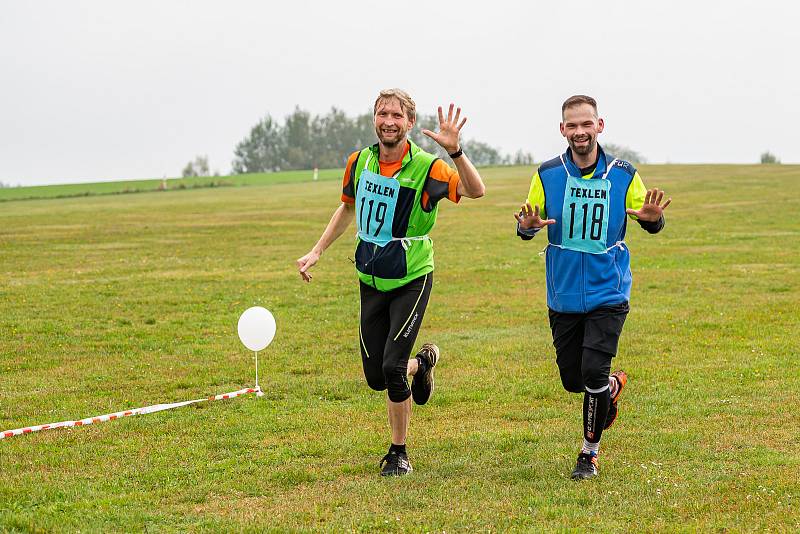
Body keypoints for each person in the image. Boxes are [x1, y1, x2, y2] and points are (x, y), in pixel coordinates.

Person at [297, 89, 485, 476]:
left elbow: (474, 190)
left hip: (411, 277)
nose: (388, 121)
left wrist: (456, 152)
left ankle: (398, 452)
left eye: (397, 115)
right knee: (375, 376)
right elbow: (347, 207)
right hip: (370, 277)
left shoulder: (428, 168)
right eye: (382, 113)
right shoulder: (359, 161)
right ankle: (424, 363)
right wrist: (317, 250)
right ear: (374, 119)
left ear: (410, 123)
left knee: (393, 369)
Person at [514, 95, 671, 480]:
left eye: (587, 124)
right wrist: (526, 227)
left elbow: (648, 218)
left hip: (609, 292)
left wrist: (653, 220)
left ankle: (589, 453)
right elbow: (528, 223)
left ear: (599, 126)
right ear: (562, 129)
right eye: (572, 125)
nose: (580, 132)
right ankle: (610, 388)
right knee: (574, 380)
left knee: (593, 371)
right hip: (563, 294)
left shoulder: (623, 174)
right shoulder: (547, 174)